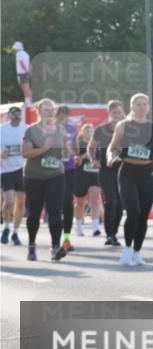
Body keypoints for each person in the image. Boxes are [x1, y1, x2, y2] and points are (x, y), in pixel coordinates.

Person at [107, 93, 153, 266]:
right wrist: (110, 157)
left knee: (143, 215)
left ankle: (137, 252)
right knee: (133, 211)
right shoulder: (124, 125)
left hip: (147, 172)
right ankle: (127, 249)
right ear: (132, 107)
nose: (142, 107)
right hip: (128, 171)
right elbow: (112, 147)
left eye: (145, 104)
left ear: (148, 107)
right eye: (138, 104)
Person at [20, 99, 71, 262]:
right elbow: (25, 153)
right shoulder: (31, 130)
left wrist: (66, 152)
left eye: (52, 110)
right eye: (45, 110)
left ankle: (56, 247)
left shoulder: (61, 130)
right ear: (39, 112)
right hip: (34, 177)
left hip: (56, 175)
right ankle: (32, 245)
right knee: (34, 212)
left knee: (55, 210)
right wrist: (45, 148)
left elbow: (65, 153)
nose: (49, 113)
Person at [88, 100, 126, 247]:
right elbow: (91, 147)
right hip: (106, 170)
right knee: (111, 202)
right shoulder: (101, 129)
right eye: (115, 113)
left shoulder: (128, 128)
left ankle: (114, 233)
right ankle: (110, 234)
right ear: (109, 114)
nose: (117, 115)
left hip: (123, 170)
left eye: (120, 112)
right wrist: (93, 159)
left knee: (120, 204)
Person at [1, 105, 27, 246]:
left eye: (19, 113)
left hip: (23, 169)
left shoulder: (26, 128)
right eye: (14, 114)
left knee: (21, 202)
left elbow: (32, 145)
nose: (17, 116)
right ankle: (6, 227)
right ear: (9, 115)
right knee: (9, 200)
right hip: (6, 170)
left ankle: (15, 232)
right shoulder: (2, 129)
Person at [72, 123, 103, 237]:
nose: (89, 133)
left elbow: (100, 157)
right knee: (80, 203)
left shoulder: (97, 144)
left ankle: (95, 228)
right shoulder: (78, 144)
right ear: (82, 132)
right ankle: (78, 226)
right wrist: (85, 155)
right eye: (87, 131)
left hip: (94, 176)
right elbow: (77, 159)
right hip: (81, 175)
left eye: (91, 131)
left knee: (94, 201)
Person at [55, 105, 77, 251]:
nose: (64, 118)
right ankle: (54, 239)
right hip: (53, 170)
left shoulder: (72, 128)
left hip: (69, 169)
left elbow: (74, 146)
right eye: (61, 115)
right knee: (55, 204)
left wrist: (74, 154)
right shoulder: (50, 129)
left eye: (66, 115)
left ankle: (67, 238)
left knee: (68, 203)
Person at [13, 41, 32, 108]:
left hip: (21, 73)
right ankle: (27, 101)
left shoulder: (19, 54)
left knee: (25, 88)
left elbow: (21, 63)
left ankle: (29, 102)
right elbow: (28, 63)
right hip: (25, 73)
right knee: (26, 87)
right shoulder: (26, 54)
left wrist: (26, 71)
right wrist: (29, 71)